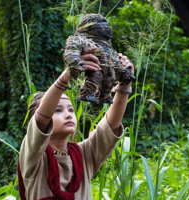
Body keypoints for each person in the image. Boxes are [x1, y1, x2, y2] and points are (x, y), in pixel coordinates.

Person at [18, 47, 134, 199]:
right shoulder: (33, 157)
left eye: (71, 110)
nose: (68, 115)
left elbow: (110, 126)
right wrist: (68, 74)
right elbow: (41, 118)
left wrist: (125, 82)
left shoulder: (83, 155)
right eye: (58, 110)